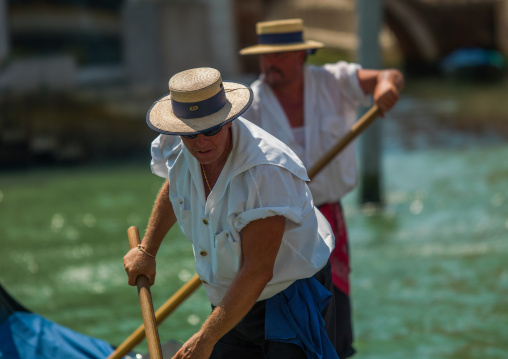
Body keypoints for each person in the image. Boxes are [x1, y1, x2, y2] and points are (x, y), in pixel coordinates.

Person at [123, 67, 341, 359]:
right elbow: (175, 187)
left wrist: (205, 338)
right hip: (228, 296)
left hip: (286, 295)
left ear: (228, 120)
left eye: (211, 130)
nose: (201, 143)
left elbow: (258, 271)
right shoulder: (179, 145)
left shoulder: (266, 172)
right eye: (191, 134)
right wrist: (148, 251)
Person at [240, 18, 405, 358]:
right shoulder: (250, 105)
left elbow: (388, 76)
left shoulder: (333, 81)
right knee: (283, 314)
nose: (269, 64)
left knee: (335, 314)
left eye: (279, 56)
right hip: (276, 226)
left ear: (302, 56)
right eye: (264, 57)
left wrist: (385, 89)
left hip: (328, 216)